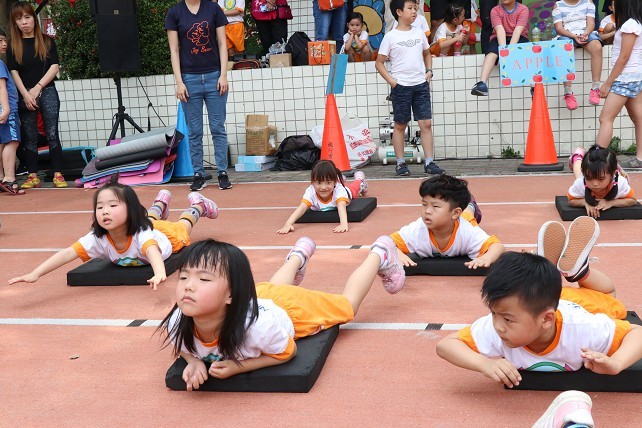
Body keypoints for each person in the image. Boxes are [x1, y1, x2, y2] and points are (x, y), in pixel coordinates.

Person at [156, 234, 404, 387]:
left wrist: (239, 366)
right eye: (184, 277)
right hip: (259, 298)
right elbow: (183, 346)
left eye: (203, 279)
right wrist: (194, 361)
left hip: (291, 309)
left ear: (231, 294)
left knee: (347, 306)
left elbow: (288, 351)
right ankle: (298, 256)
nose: (188, 286)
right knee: (272, 288)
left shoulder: (257, 330)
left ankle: (380, 253)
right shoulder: (178, 320)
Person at [436, 222, 642, 387]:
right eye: (493, 313)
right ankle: (545, 272)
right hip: (542, 303)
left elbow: (637, 333)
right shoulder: (497, 327)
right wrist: (484, 364)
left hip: (582, 304)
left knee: (610, 295)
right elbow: (445, 345)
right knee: (538, 295)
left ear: (546, 319)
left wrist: (616, 363)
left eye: (507, 319)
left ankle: (579, 271)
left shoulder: (584, 329)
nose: (498, 326)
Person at [8, 176, 220, 289]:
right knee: (149, 220)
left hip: (166, 237)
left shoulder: (142, 236)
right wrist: (35, 274)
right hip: (144, 222)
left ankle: (199, 206)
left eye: (112, 205)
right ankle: (160, 203)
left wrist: (159, 272)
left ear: (131, 210)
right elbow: (68, 253)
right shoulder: (97, 238)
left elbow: (152, 251)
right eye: (100, 207)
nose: (105, 211)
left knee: (182, 226)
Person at [387, 175, 504, 293]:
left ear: (455, 213)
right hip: (455, 216)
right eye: (424, 204)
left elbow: (497, 246)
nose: (427, 211)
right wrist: (397, 254)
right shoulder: (418, 229)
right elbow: (387, 243)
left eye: (435, 206)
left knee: (468, 213)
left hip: (464, 218)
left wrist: (487, 257)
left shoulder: (468, 231)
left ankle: (470, 204)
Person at [165, 0, 233, 191]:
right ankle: (198, 174)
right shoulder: (175, 12)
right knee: (194, 131)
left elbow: (222, 44)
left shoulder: (213, 9)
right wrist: (179, 81)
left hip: (214, 77)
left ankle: (222, 173)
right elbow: (174, 50)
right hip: (189, 79)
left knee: (218, 128)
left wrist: (223, 75)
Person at [376, 0, 445, 177]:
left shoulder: (419, 32)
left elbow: (427, 53)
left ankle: (429, 162)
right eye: (410, 8)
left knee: (426, 123)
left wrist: (429, 71)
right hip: (401, 87)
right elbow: (379, 63)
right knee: (400, 125)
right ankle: (400, 163)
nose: (414, 12)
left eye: (415, 8)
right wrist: (392, 82)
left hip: (420, 85)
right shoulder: (390, 36)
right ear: (399, 12)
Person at [7, 2, 65, 189]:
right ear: (15, 23)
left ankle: (58, 174)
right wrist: (26, 94)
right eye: (19, 19)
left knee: (52, 133)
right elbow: (14, 72)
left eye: (27, 17)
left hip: (47, 90)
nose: (24, 22)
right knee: (29, 135)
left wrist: (37, 88)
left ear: (34, 18)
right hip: (24, 94)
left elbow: (54, 67)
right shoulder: (13, 45)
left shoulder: (47, 41)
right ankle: (32, 175)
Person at [595, 0, 642, 169]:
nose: (611, 6)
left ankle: (597, 161)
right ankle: (640, 159)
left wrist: (608, 83)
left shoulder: (629, 25)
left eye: (615, 3)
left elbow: (624, 57)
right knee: (639, 118)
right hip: (633, 77)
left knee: (605, 118)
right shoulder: (633, 23)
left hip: (625, 78)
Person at [276, 160, 368, 234]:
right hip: (335, 184)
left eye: (328, 182)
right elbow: (302, 207)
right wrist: (288, 224)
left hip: (346, 191)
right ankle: (340, 179)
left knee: (353, 189)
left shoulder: (339, 191)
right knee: (330, 183)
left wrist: (343, 224)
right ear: (312, 182)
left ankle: (360, 180)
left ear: (334, 182)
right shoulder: (311, 191)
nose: (323, 187)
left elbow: (341, 206)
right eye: (319, 182)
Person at [552, 0, 604, 110]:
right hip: (567, 34)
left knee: (597, 47)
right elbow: (559, 29)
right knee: (565, 49)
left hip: (586, 33)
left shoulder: (588, 2)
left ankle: (595, 88)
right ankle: (568, 92)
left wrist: (585, 34)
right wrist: (574, 36)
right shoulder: (558, 5)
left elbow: (591, 23)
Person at [470, 0, 529, 97]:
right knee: (491, 53)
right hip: (499, 37)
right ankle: (482, 83)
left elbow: (518, 31)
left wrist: (510, 51)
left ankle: (534, 86)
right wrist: (503, 53)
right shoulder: (495, 10)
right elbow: (500, 31)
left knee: (527, 53)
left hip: (519, 37)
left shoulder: (523, 9)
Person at [567, 145, 636, 218]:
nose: (595, 184)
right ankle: (577, 157)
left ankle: (579, 157)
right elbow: (570, 200)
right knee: (578, 174)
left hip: (619, 174)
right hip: (595, 172)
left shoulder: (621, 183)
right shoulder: (581, 182)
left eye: (601, 179)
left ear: (612, 175)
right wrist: (585, 202)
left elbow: (633, 200)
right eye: (589, 178)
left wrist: (611, 203)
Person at [0, 27, 24, 196]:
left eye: (4, 40)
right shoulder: (0, 64)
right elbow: (2, 88)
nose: (4, 44)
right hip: (6, 109)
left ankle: (1, 177)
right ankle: (9, 179)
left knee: (2, 142)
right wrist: (7, 108)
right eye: (0, 41)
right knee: (12, 141)